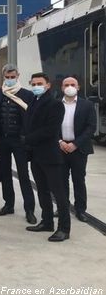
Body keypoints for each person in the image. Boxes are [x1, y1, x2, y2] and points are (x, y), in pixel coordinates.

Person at [24, 72, 69, 242]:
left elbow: (50, 130)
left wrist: (26, 139)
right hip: (35, 155)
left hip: (50, 155)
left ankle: (64, 228)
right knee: (42, 191)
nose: (36, 86)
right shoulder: (33, 102)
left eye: (39, 83)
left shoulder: (55, 104)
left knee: (58, 193)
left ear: (48, 85)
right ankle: (47, 221)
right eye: (33, 83)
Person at [0, 64, 36, 224]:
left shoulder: (27, 95)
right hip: (2, 140)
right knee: (5, 173)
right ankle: (8, 204)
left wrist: (27, 138)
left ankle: (29, 209)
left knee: (24, 175)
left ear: (18, 76)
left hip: (20, 141)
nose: (10, 80)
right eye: (7, 77)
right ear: (3, 77)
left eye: (12, 77)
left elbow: (31, 118)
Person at [59, 76, 96, 223]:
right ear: (62, 88)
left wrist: (75, 144)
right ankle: (62, 207)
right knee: (61, 181)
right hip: (60, 148)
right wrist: (60, 141)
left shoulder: (87, 105)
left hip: (79, 149)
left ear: (78, 87)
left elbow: (91, 127)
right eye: (66, 84)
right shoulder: (56, 105)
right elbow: (52, 125)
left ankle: (80, 210)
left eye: (72, 84)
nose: (69, 87)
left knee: (78, 180)